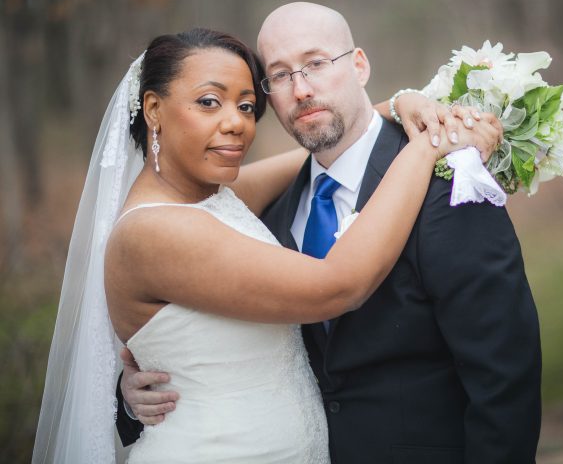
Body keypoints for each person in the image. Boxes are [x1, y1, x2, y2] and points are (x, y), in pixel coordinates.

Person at [32, 28, 500, 464]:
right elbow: (337, 286)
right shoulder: (154, 232)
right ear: (153, 109)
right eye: (209, 102)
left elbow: (310, 155)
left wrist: (397, 106)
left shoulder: (211, 198)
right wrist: (430, 145)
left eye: (247, 106)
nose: (236, 123)